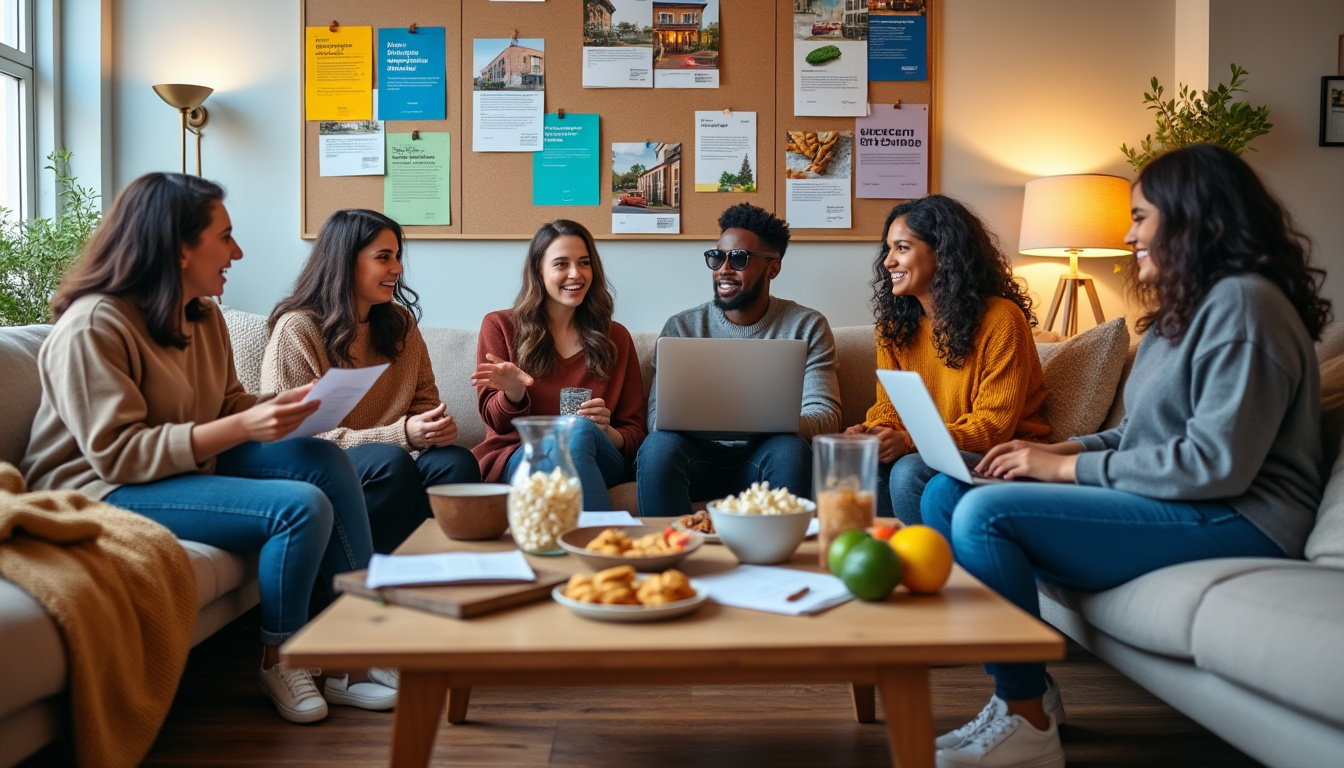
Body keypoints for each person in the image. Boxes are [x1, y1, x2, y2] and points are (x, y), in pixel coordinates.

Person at [921, 143, 1331, 768]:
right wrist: (1063, 448)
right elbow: (1141, 435)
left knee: (987, 516)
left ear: (1192, 215)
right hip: (1182, 498)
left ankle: (1026, 724)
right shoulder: (1181, 315)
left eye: (1140, 216)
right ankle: (1028, 697)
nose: (1128, 232)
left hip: (1242, 516)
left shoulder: (1246, 304)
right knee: (948, 492)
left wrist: (1065, 469)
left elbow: (1216, 463)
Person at [19, 173, 399, 724]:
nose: (237, 251)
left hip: (181, 464)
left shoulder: (203, 313)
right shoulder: (94, 324)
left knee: (324, 459)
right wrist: (248, 426)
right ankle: (282, 657)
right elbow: (117, 454)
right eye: (225, 237)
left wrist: (287, 406)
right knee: (298, 507)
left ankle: (359, 647)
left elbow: (226, 404)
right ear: (178, 248)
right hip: (98, 488)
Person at [262, 209, 481, 554]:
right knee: (389, 461)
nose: (397, 268)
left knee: (455, 462)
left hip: (387, 460)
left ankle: (439, 572)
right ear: (345, 262)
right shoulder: (298, 329)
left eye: (397, 256)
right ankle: (377, 578)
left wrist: (436, 428)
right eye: (383, 257)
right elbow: (294, 436)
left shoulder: (400, 323)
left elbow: (424, 401)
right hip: (320, 460)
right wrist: (402, 434)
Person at [845, 195, 1049, 523]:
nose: (888, 262)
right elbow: (889, 409)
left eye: (902, 248)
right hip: (934, 453)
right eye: (888, 250)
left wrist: (908, 442)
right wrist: (875, 434)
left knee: (909, 470)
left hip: (1001, 457)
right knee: (860, 462)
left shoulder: (1002, 320)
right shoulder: (894, 328)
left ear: (941, 252)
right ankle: (879, 563)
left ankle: (931, 567)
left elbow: (995, 427)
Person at [636, 202, 841, 515]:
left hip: (764, 460)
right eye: (717, 257)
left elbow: (827, 416)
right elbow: (656, 419)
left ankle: (776, 558)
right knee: (657, 447)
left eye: (739, 258)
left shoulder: (806, 326)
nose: (724, 269)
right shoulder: (682, 327)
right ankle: (665, 553)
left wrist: (776, 422)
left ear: (773, 268)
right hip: (696, 461)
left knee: (790, 450)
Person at [471, 220, 645, 509]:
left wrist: (606, 431)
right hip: (521, 454)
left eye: (584, 263)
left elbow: (635, 434)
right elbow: (497, 423)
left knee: (576, 430)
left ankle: (592, 543)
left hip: (598, 456)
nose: (575, 274)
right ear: (539, 271)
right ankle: (600, 544)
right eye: (561, 264)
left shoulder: (616, 337)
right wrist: (513, 391)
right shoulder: (500, 326)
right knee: (567, 436)